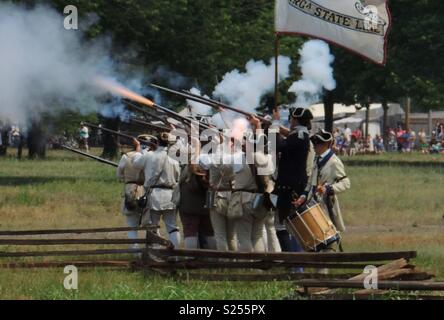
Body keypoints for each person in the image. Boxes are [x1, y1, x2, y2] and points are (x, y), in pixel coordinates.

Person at [295, 129, 351, 251]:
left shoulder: (334, 161)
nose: (314, 146)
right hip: (314, 204)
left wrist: (328, 188)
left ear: (326, 145)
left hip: (327, 205)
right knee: (316, 241)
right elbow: (311, 183)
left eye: (318, 143)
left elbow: (346, 183)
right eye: (314, 143)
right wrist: (303, 197)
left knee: (328, 241)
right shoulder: (317, 159)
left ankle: (325, 267)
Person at [271, 107, 314, 253]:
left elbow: (276, 146)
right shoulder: (299, 135)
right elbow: (288, 138)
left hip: (289, 187)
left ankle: (291, 261)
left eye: (291, 118)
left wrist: (274, 125)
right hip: (292, 186)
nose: (290, 121)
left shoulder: (299, 136)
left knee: (282, 224)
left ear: (294, 120)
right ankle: (294, 262)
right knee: (289, 223)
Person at [133, 132, 181, 248]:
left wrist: (141, 150)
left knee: (152, 226)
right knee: (172, 227)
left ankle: (155, 254)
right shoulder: (174, 160)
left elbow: (136, 164)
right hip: (170, 196)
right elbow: (177, 177)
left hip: (153, 195)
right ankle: (175, 255)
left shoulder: (149, 155)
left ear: (157, 142)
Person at [116, 136, 156, 249]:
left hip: (130, 189)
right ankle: (153, 247)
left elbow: (118, 175)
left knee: (132, 224)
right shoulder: (151, 157)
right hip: (147, 190)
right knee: (150, 222)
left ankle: (135, 250)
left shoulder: (126, 157)